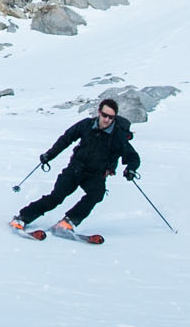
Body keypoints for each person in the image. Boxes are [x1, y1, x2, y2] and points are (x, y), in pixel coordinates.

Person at [12, 98, 139, 235]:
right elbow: (66, 139)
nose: (107, 119)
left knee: (96, 194)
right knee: (56, 197)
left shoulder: (117, 136)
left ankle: (68, 222)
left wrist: (130, 169)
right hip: (75, 169)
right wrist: (49, 155)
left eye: (111, 117)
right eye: (104, 115)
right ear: (99, 112)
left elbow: (133, 157)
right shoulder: (86, 125)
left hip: (95, 175)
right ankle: (22, 218)